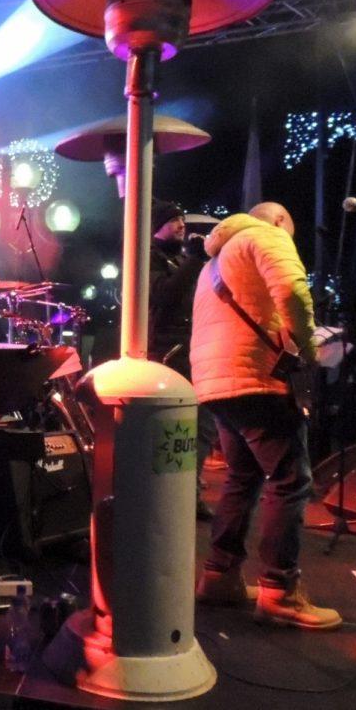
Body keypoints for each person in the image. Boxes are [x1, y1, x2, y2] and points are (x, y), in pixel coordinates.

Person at [191, 202, 341, 629]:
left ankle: (219, 576)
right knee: (291, 480)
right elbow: (292, 293)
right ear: (278, 220)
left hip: (216, 381)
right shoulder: (268, 235)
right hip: (256, 378)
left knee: (243, 477)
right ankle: (280, 590)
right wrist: (308, 351)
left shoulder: (214, 262)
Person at [148, 198, 217, 521]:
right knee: (176, 425)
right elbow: (163, 294)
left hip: (196, 347)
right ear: (157, 226)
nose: (181, 225)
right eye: (173, 220)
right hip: (170, 351)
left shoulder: (185, 258)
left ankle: (189, 489)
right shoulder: (150, 257)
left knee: (204, 425)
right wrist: (193, 261)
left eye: (181, 219)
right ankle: (171, 493)